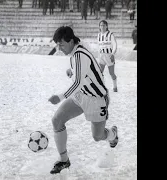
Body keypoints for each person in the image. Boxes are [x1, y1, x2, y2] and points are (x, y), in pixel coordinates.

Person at [48, 26, 118, 174]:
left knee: (98, 136)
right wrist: (72, 72)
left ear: (71, 41)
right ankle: (64, 160)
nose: (59, 48)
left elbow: (78, 82)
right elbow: (83, 73)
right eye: (57, 44)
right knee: (57, 120)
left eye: (61, 44)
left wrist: (60, 97)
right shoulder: (76, 49)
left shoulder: (80, 54)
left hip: (97, 99)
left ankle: (112, 134)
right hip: (81, 95)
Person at [97, 20, 118, 92]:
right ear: (99, 27)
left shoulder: (110, 34)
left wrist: (112, 54)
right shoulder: (99, 35)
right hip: (101, 56)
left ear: (106, 26)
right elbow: (98, 46)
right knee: (99, 72)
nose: (102, 27)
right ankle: (100, 87)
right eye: (101, 25)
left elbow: (114, 44)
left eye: (103, 25)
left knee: (111, 73)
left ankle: (115, 86)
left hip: (109, 56)